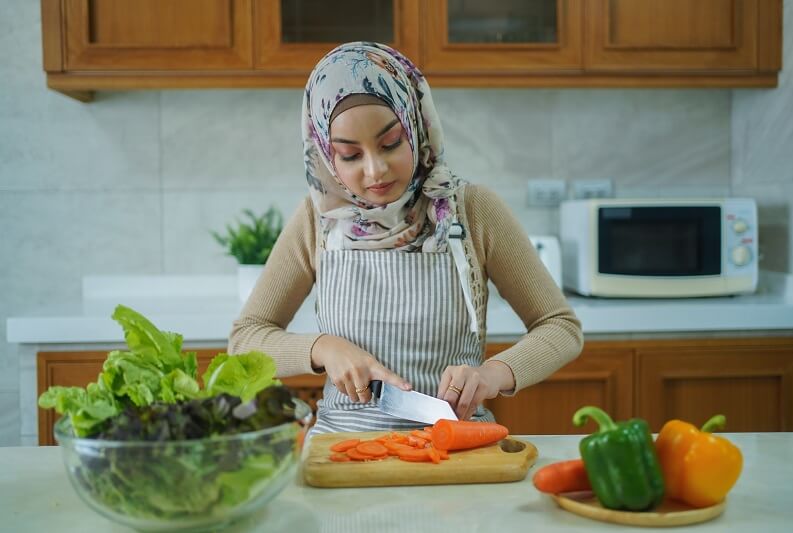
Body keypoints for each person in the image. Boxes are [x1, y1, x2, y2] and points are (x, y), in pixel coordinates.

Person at [228, 42, 583, 439]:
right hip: (343, 450)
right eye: (349, 155)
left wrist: (492, 375)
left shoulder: (473, 210)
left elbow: (559, 326)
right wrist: (323, 348)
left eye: (391, 143)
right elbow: (246, 338)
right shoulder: (318, 221)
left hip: (455, 445)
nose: (375, 170)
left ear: (416, 125)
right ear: (327, 156)